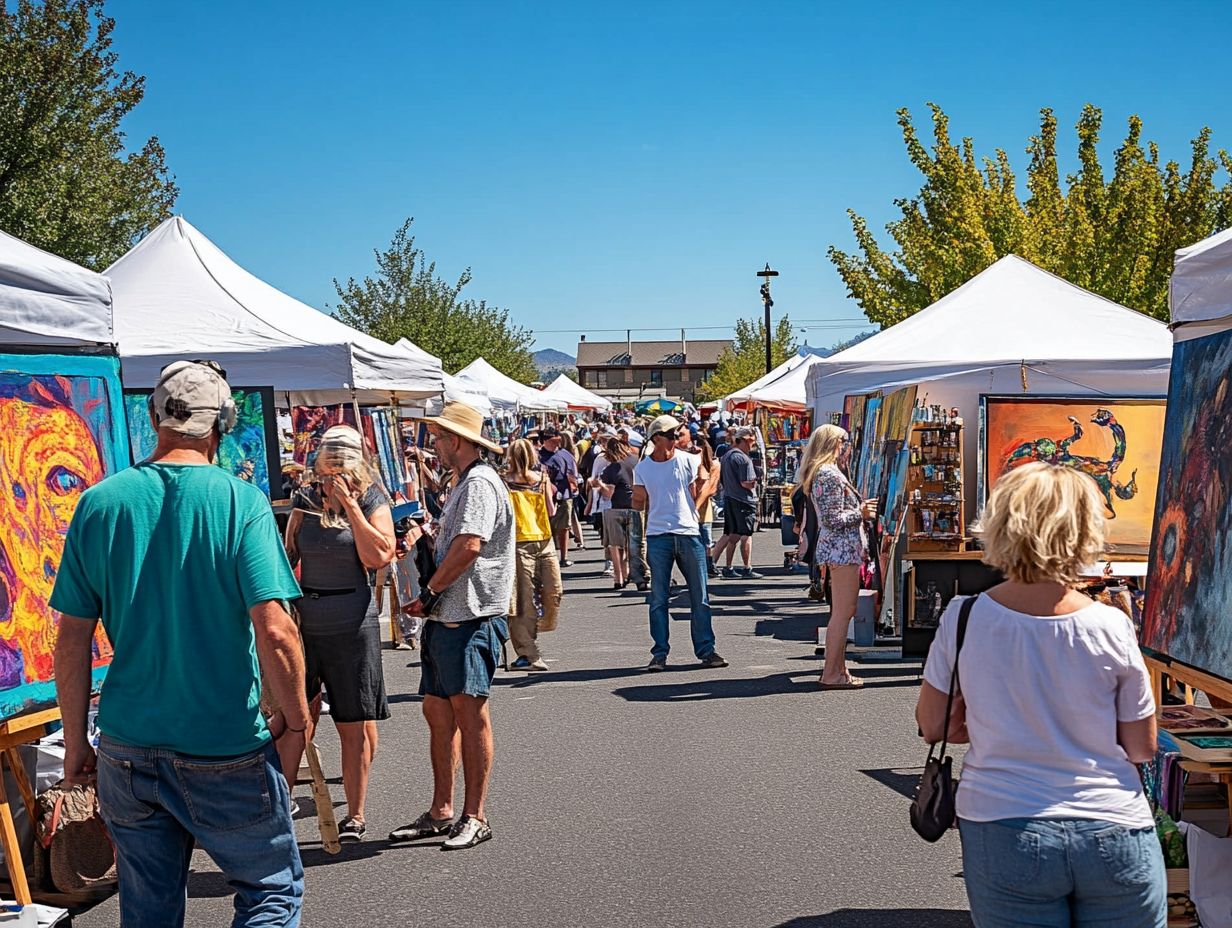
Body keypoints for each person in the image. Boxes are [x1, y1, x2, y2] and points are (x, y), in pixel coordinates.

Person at [51, 360, 310, 927]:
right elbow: (276, 628)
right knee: (270, 894)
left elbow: (71, 637)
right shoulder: (240, 500)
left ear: (153, 417)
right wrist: (295, 715)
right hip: (223, 743)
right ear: (223, 422)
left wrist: (76, 743)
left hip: (128, 743)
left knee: (149, 909)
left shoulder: (101, 502)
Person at [916, 463, 1164, 927]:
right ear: (1086, 529)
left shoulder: (964, 616)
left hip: (1002, 821)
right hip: (1112, 824)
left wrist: (996, 720)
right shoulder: (1111, 623)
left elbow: (934, 725)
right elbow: (1141, 746)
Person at [393, 400, 514, 851]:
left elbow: (469, 546)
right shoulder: (467, 481)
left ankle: (474, 814)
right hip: (451, 615)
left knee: (469, 712)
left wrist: (428, 594)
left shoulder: (479, 482)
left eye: (440, 438)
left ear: (458, 441)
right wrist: (426, 538)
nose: (435, 446)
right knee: (439, 712)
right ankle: (443, 810)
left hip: (469, 613)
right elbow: (457, 544)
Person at [284, 425, 397, 842]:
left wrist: (350, 506)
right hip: (308, 617)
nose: (334, 471)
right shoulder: (306, 498)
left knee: (353, 721)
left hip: (352, 619)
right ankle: (280, 806)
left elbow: (378, 556)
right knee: (297, 715)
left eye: (342, 461)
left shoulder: (371, 498)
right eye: (328, 461)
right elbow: (289, 552)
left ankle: (356, 813)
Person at [633, 415, 727, 672]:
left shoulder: (689, 460)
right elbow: (638, 502)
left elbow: (701, 489)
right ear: (656, 439)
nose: (676, 439)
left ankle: (706, 650)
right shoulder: (642, 468)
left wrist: (691, 510)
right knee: (658, 598)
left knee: (700, 596)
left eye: (677, 434)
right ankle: (660, 653)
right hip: (658, 535)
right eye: (671, 435)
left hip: (687, 532)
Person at [797, 424, 876, 689]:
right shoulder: (828, 474)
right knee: (843, 613)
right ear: (834, 443)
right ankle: (832, 672)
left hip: (840, 548)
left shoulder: (824, 472)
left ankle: (837, 669)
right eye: (845, 442)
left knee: (844, 611)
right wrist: (861, 514)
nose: (848, 447)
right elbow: (832, 519)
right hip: (841, 549)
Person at [503, 438, 562, 671]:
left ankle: (530, 637)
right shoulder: (505, 482)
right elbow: (552, 510)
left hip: (541, 541)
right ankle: (528, 652)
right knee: (526, 599)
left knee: (546, 593)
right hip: (521, 542)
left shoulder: (540, 478)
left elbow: (549, 509)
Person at [711, 427, 763, 580]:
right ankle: (746, 567)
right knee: (746, 534)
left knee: (732, 534)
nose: (752, 445)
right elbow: (745, 482)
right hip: (743, 500)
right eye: (752, 442)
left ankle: (725, 566)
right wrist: (755, 481)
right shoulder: (742, 459)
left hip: (730, 497)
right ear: (746, 440)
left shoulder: (727, 456)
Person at [599, 436, 637, 590]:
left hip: (616, 508)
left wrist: (598, 483)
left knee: (615, 545)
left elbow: (609, 493)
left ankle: (618, 576)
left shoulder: (612, 468)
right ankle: (628, 571)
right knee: (632, 544)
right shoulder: (635, 461)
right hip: (635, 506)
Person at [539, 425, 580, 567]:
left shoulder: (565, 455)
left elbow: (573, 473)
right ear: (546, 440)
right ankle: (547, 556)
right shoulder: (538, 456)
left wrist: (574, 483)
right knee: (546, 527)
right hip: (544, 496)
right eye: (554, 438)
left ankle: (563, 557)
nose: (557, 440)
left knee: (564, 527)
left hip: (565, 495)